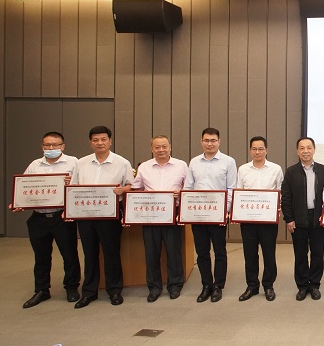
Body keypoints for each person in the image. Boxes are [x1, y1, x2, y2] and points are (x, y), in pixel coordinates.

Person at [70, 125, 133, 308]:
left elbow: (131, 185)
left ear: (110, 141)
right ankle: (89, 292)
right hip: (85, 216)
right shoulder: (81, 163)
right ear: (90, 143)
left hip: (110, 216)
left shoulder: (122, 162)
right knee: (89, 254)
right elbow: (73, 188)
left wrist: (122, 190)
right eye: (95, 140)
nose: (100, 143)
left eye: (103, 139)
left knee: (111, 253)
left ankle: (114, 291)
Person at [16, 132, 81, 308]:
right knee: (41, 256)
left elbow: (80, 186)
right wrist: (18, 203)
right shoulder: (35, 165)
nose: (51, 148)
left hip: (62, 216)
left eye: (55, 145)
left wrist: (71, 183)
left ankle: (71, 287)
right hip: (39, 218)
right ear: (42, 146)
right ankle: (42, 290)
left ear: (63, 146)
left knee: (69, 254)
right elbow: (24, 187)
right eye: (47, 145)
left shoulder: (73, 163)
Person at [129, 135, 187, 302]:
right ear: (151, 149)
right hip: (150, 216)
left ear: (170, 147)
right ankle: (154, 287)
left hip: (172, 214)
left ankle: (175, 285)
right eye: (157, 147)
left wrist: (181, 193)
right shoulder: (144, 167)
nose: (161, 150)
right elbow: (136, 189)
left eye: (164, 146)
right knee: (151, 253)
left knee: (174, 252)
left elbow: (188, 187)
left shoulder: (181, 165)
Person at [184, 127, 237, 303]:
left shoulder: (228, 162)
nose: (210, 144)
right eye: (206, 140)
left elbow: (231, 188)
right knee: (202, 252)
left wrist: (226, 211)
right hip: (198, 215)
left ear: (219, 142)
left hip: (218, 215)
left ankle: (218, 286)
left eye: (213, 140)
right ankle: (206, 285)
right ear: (201, 142)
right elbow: (188, 187)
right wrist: (187, 211)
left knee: (220, 251)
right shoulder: (194, 162)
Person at [236, 136, 284, 302]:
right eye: (254, 149)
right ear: (250, 151)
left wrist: (277, 206)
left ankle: (268, 285)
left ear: (266, 150)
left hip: (268, 220)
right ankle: (252, 286)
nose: (258, 152)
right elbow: (239, 192)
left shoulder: (276, 169)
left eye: (261, 149)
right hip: (247, 220)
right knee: (250, 254)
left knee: (269, 253)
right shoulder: (243, 169)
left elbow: (280, 192)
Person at [281, 137, 324, 301]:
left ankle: (314, 285)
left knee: (317, 253)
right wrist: (289, 218)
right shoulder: (291, 172)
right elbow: (286, 197)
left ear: (314, 150)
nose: (305, 151)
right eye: (302, 148)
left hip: (318, 218)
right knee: (300, 254)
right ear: (297, 151)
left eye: (309, 147)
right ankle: (302, 286)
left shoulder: (323, 170)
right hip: (298, 218)